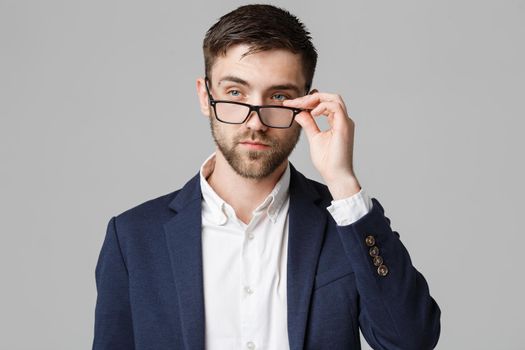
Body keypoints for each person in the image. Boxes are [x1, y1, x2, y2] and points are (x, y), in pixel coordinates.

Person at [92, 4, 441, 350]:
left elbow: (411, 341)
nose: (255, 122)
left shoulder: (345, 225)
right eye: (235, 93)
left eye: (278, 96)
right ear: (205, 95)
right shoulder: (134, 238)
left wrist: (343, 181)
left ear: (307, 103)